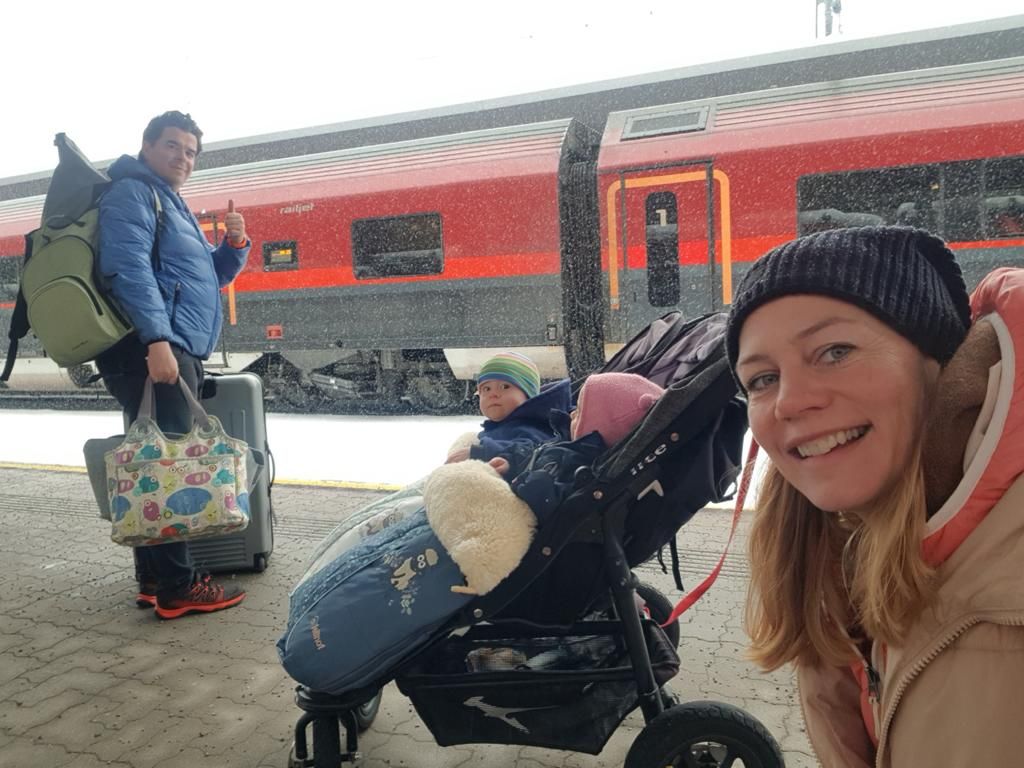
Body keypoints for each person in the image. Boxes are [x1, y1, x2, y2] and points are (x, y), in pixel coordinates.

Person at [726, 225, 1024, 766]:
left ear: (936, 359)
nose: (790, 402)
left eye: (835, 350)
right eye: (762, 379)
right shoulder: (838, 551)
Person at [96, 111, 250, 620]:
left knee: (150, 462)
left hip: (167, 345)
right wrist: (157, 339)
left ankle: (153, 577)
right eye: (172, 146)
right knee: (170, 468)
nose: (182, 158)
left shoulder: (167, 200)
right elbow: (129, 267)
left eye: (190, 152)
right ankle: (180, 586)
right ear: (146, 145)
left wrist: (233, 247)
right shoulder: (132, 193)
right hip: (153, 348)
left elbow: (207, 274)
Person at [445, 351, 571, 478]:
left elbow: (530, 451)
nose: (493, 394)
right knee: (467, 440)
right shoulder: (503, 425)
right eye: (486, 389)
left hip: (522, 490)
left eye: (505, 386)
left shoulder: (533, 425)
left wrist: (481, 453)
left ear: (528, 396)